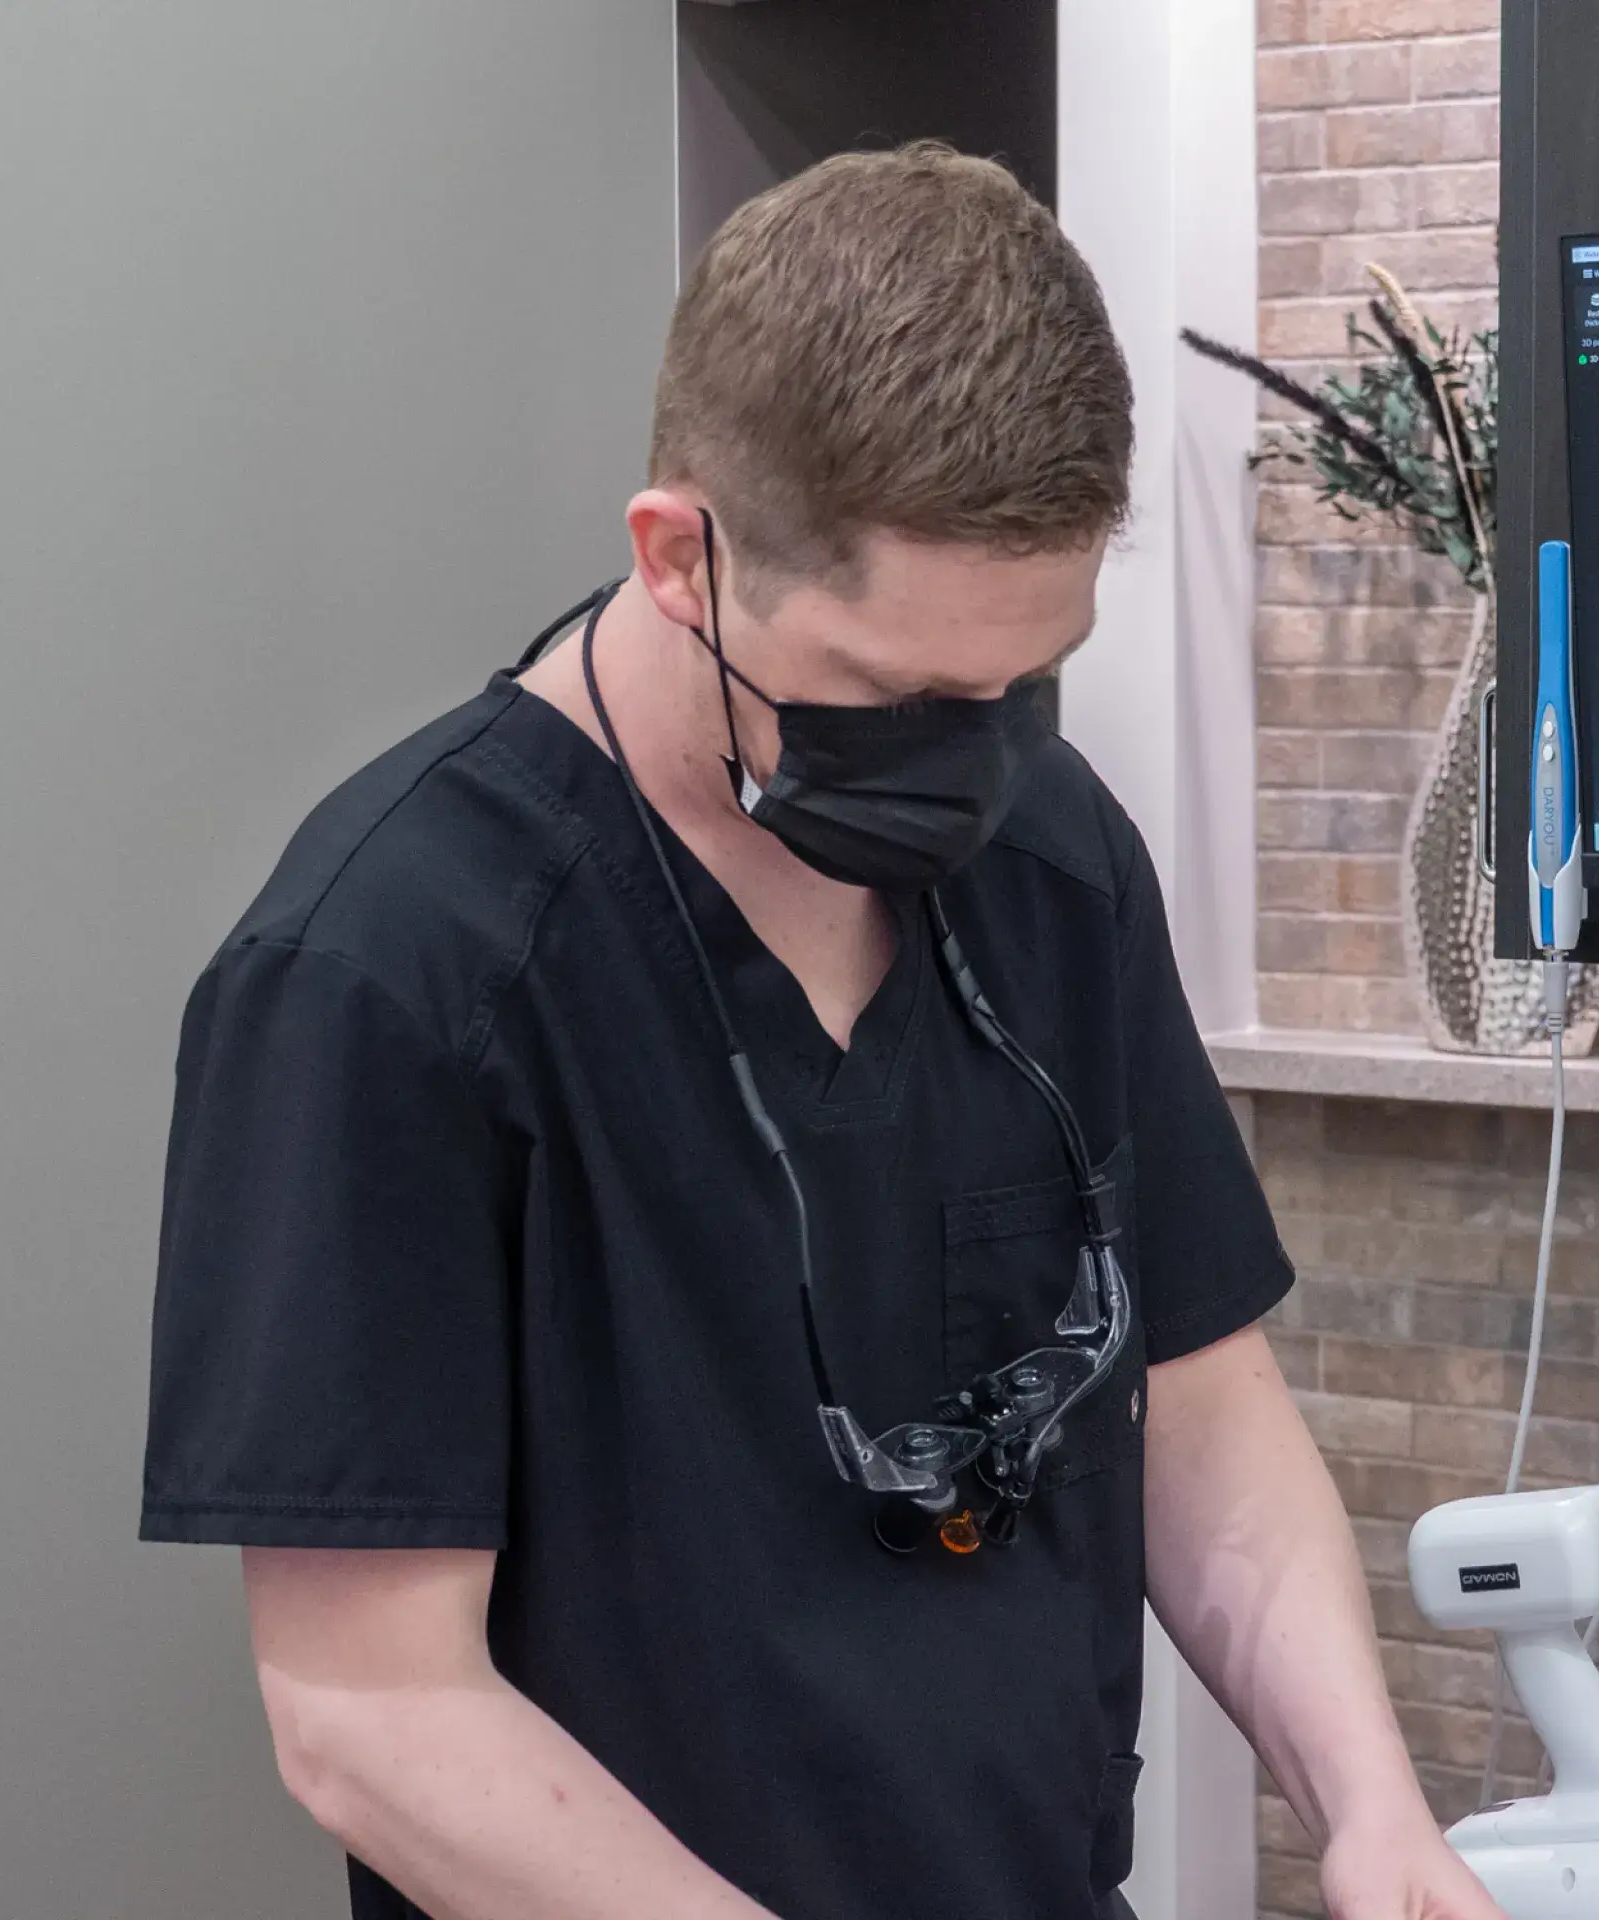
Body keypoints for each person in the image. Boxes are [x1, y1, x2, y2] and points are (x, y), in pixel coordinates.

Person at [139, 144, 1506, 1920]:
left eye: (1028, 680)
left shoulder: (1057, 860)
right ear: (679, 558)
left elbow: (1190, 1394)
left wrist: (1372, 1807)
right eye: (895, 696)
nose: (977, 751)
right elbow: (368, 1711)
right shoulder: (391, 972)